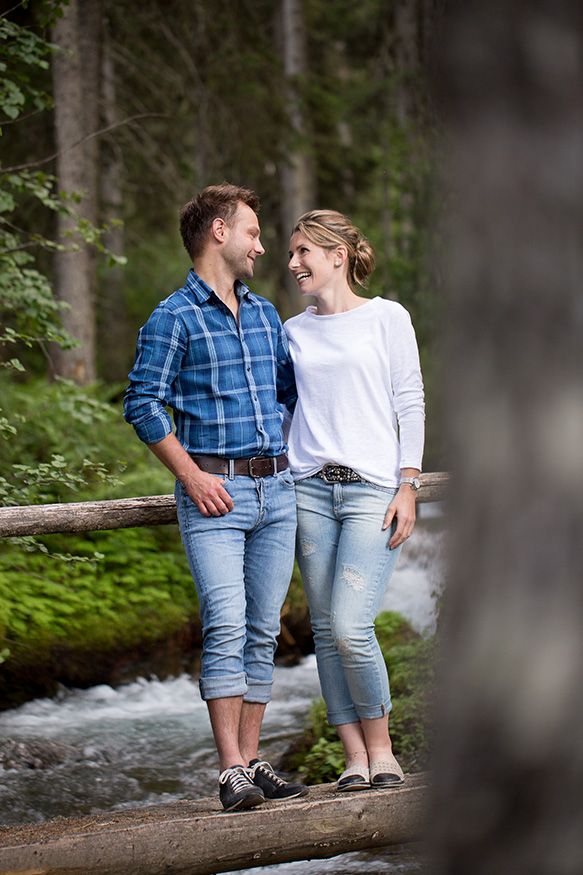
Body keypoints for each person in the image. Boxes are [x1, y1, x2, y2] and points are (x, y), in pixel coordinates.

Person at [124, 183, 307, 811]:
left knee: (262, 630)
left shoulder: (263, 314)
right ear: (219, 234)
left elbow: (288, 394)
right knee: (226, 624)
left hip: (276, 491)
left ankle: (254, 763)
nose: (262, 246)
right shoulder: (172, 317)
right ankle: (229, 769)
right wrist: (193, 477)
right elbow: (142, 403)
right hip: (214, 498)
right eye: (253, 233)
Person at [284, 209, 425, 791]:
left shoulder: (387, 318)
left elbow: (409, 400)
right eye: (291, 254)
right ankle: (354, 759)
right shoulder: (291, 330)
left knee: (349, 624)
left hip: (371, 490)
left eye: (302, 253)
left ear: (337, 254)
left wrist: (409, 483)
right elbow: (285, 410)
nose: (292, 264)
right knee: (323, 628)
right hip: (308, 491)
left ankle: (384, 750)